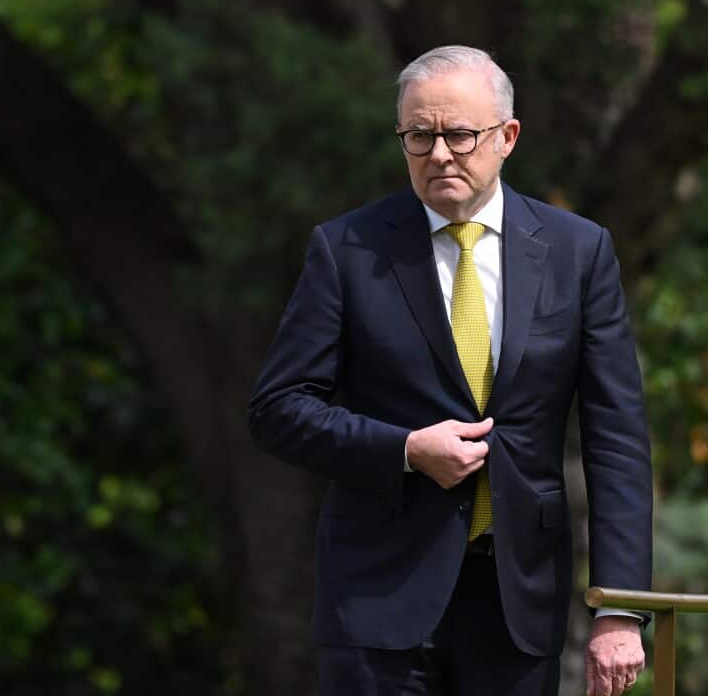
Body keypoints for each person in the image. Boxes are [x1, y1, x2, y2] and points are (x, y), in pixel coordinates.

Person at [248, 45, 653, 696]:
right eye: (419, 136)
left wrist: (620, 609)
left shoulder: (580, 253)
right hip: (378, 599)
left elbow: (618, 443)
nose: (439, 154)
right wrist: (404, 449)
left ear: (507, 137)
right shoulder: (347, 249)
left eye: (460, 135)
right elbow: (278, 408)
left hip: (519, 602)